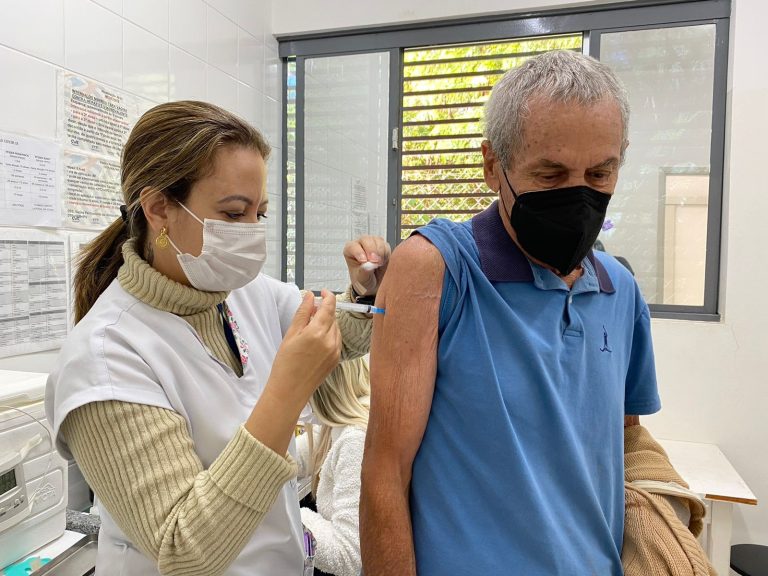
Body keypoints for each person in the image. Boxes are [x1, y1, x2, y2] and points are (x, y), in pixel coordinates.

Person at [45, 101, 390, 576]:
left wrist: (364, 291)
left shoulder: (243, 292)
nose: (251, 234)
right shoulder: (104, 358)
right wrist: (287, 392)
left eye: (259, 215)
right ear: (159, 208)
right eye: (232, 214)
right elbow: (184, 550)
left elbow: (340, 336)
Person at [360, 50, 661, 575]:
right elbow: (385, 471)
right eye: (550, 174)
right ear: (493, 165)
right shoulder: (437, 269)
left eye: (599, 172)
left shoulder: (622, 291)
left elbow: (624, 440)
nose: (579, 194)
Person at [296, 357, 370, 576]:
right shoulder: (336, 423)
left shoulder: (355, 439)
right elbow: (293, 457)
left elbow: (347, 556)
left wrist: (287, 513)